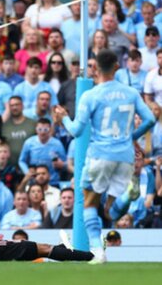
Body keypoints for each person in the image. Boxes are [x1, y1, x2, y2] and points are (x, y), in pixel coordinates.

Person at [55, 49, 156, 263]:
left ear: (96, 69)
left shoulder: (90, 95)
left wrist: (63, 118)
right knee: (110, 212)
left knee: (89, 204)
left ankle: (98, 252)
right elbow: (149, 119)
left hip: (100, 154)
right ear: (117, 67)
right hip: (126, 156)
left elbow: (76, 131)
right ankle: (128, 196)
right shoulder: (131, 93)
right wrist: (130, 137)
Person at [19, 118, 67, 187]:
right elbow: (21, 161)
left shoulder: (57, 144)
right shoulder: (29, 143)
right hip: (35, 181)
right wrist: (27, 172)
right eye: (40, 129)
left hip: (53, 181)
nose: (42, 132)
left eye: (45, 129)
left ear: (50, 129)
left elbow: (65, 162)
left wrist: (61, 164)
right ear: (36, 129)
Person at [2, 96, 37, 167]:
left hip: (30, 166)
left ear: (22, 106)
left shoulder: (33, 124)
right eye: (12, 105)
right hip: (10, 167)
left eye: (17, 105)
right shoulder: (3, 126)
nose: (14, 107)